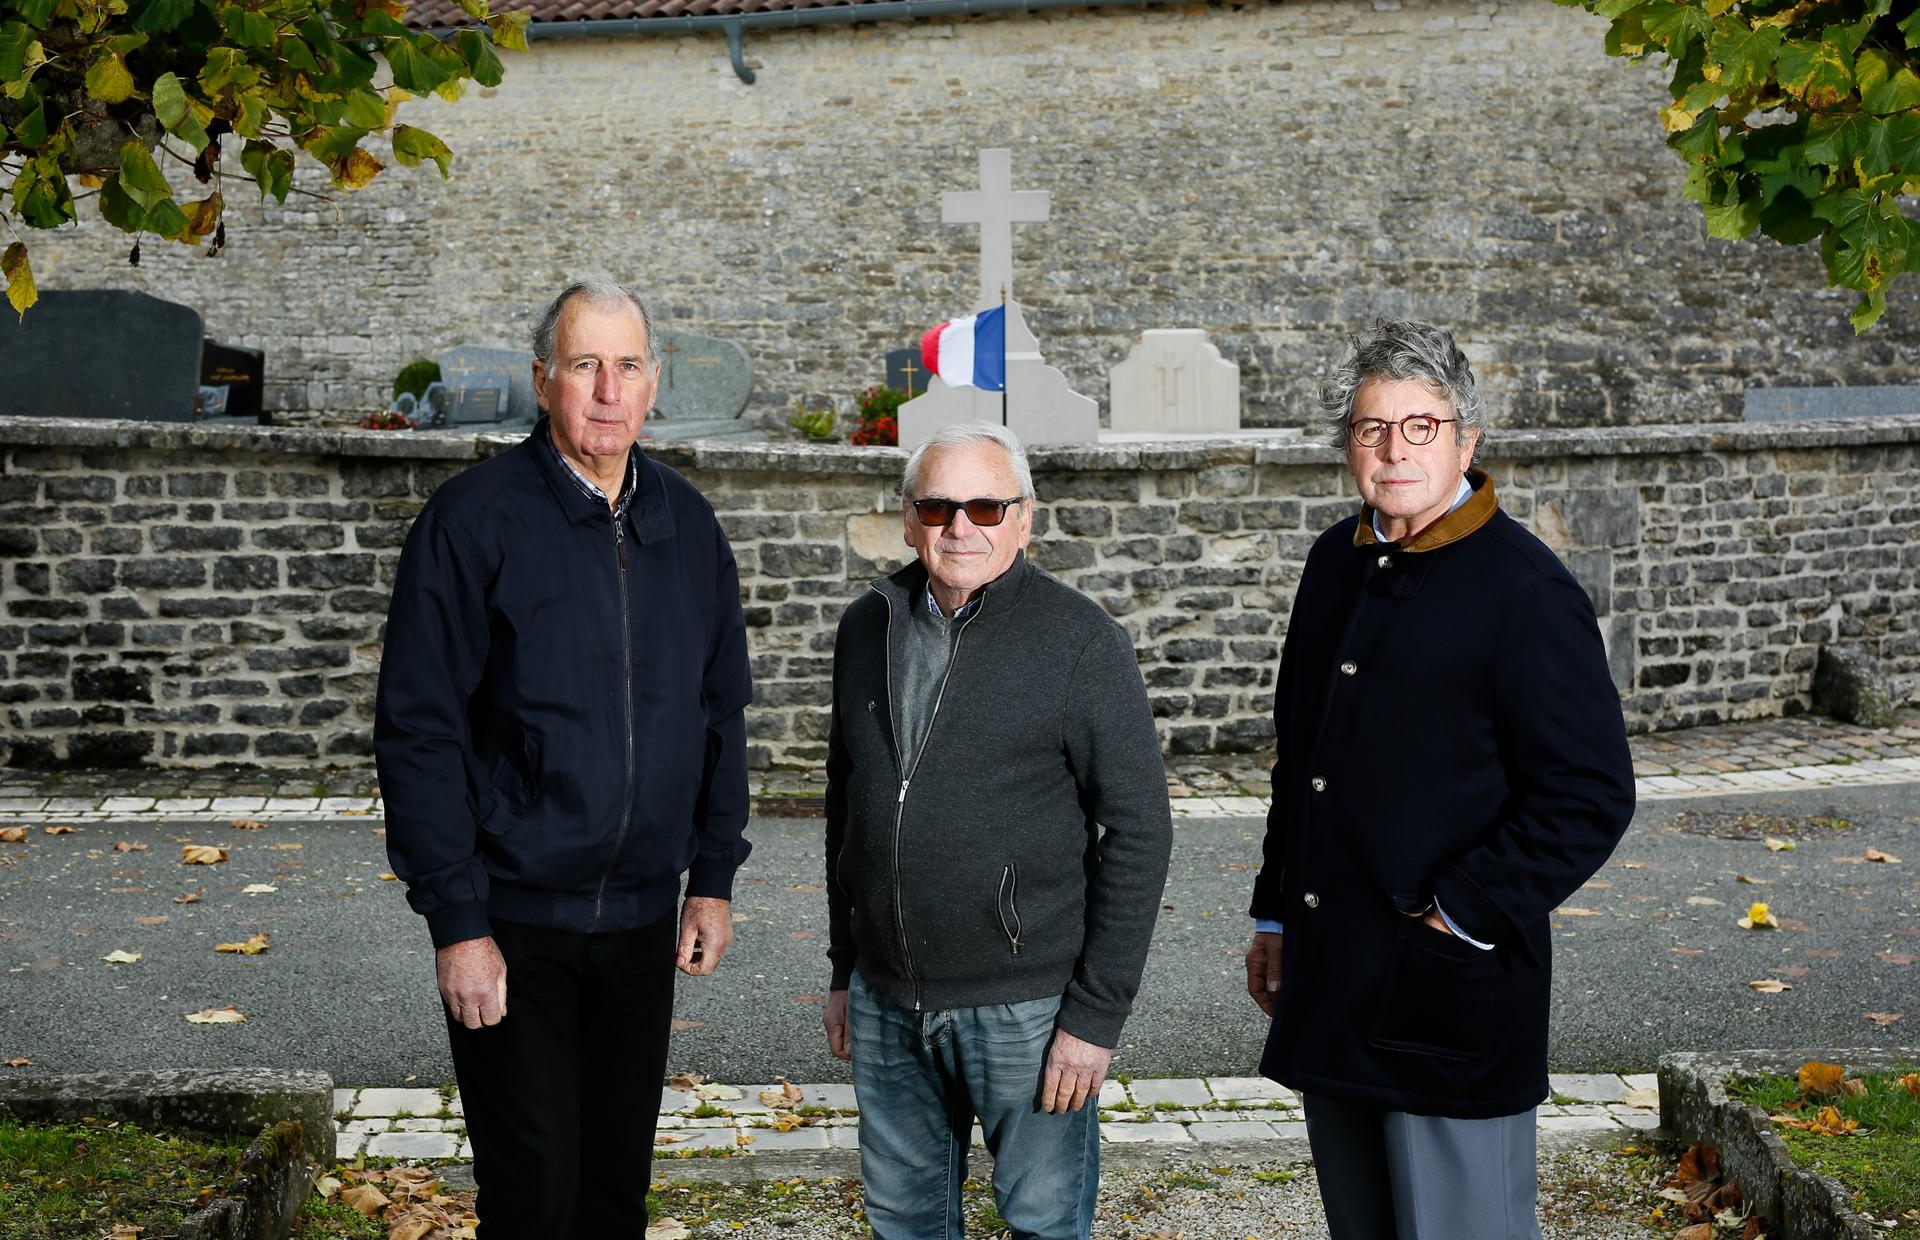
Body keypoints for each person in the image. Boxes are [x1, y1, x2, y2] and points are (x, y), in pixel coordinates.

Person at [374, 278, 751, 1238]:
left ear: (654, 382)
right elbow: (419, 731)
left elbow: (722, 713)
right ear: (544, 380)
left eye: (627, 366)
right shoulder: (473, 522)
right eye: (585, 365)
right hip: (515, 922)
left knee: (613, 1197)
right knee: (534, 1201)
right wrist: (458, 924)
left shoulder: (689, 525)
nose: (607, 390)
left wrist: (711, 876)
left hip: (641, 927)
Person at [1244, 320, 1635, 1239]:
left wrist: (1454, 914)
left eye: (1420, 426)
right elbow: (1302, 763)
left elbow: (1590, 795)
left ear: (1467, 440)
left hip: (1449, 989)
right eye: (1372, 427)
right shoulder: (1332, 563)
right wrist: (1273, 912)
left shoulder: (1526, 592)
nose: (1393, 449)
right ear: (1349, 444)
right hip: (1334, 975)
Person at [821, 420, 1172, 1240]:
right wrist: (845, 966)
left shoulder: (1082, 642)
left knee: (1044, 1221)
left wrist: (1094, 1019)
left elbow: (1141, 831)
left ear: (1024, 518)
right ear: (908, 519)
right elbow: (850, 807)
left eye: (985, 506)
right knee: (905, 1221)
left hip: (1028, 1008)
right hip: (887, 1000)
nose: (960, 527)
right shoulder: (864, 625)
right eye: (938, 507)